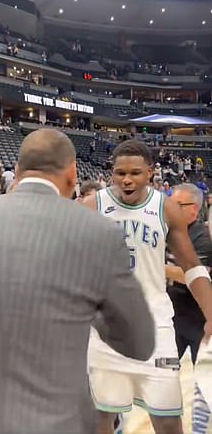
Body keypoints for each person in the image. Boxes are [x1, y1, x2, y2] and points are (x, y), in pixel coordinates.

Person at [0, 129, 155, 434]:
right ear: (72, 175)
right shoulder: (100, 233)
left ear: (16, 172)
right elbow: (140, 343)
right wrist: (87, 310)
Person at [84, 140, 212, 434]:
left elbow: (192, 266)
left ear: (150, 173)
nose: (127, 179)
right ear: (112, 173)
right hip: (105, 328)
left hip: (156, 325)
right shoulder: (93, 206)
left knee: (167, 419)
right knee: (100, 414)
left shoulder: (164, 208)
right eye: (120, 173)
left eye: (135, 173)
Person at [167, 184, 212, 434]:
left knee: (203, 379)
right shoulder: (173, 233)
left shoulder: (202, 239)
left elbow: (194, 276)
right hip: (173, 317)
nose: (170, 208)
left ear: (193, 210)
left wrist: (159, 267)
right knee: (164, 375)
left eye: (176, 204)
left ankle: (200, 428)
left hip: (200, 320)